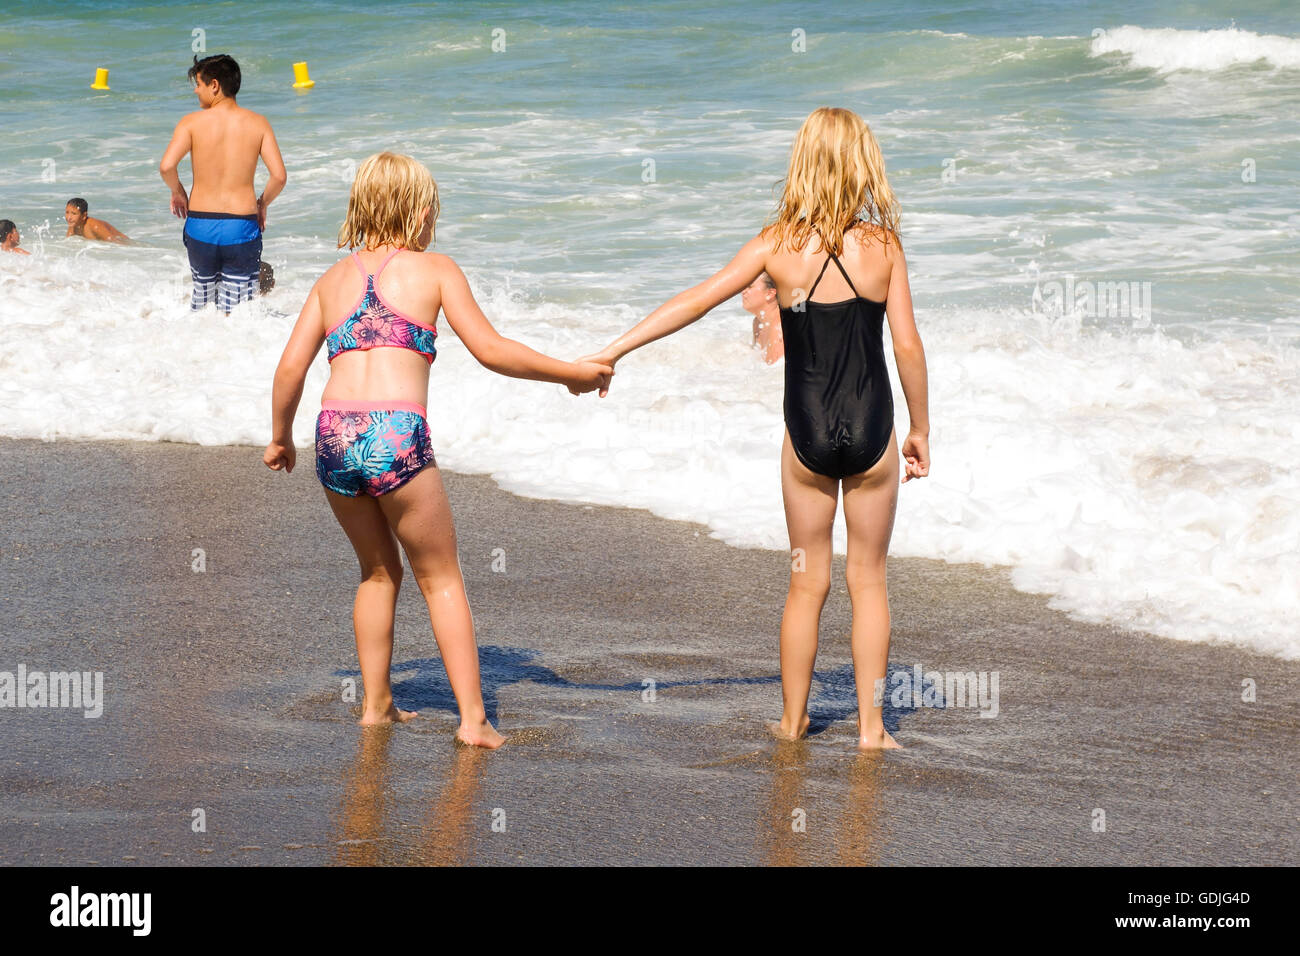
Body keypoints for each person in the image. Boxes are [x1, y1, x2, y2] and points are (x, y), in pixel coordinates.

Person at [577, 107, 930, 750]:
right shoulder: (884, 248)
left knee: (807, 581)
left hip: (807, 435)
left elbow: (697, 299)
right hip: (876, 429)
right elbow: (906, 345)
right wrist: (921, 429)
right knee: (869, 581)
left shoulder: (777, 245)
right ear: (864, 165)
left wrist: (614, 350)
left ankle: (794, 724)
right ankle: (872, 731)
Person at [263, 152, 612, 748]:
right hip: (396, 433)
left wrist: (279, 436)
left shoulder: (331, 280)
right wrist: (568, 372)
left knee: (377, 572)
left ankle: (375, 707)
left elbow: (290, 368)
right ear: (422, 211)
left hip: (334, 433)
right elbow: (492, 349)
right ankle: (473, 722)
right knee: (441, 577)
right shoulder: (435, 269)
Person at [159, 53, 286, 314]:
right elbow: (279, 177)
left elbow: (167, 166)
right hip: (241, 224)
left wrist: (178, 192)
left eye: (198, 84)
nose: (196, 91)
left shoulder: (191, 123)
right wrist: (262, 204)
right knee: (238, 310)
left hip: (200, 225)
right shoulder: (258, 123)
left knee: (203, 304)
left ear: (214, 85)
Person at [743, 270, 784, 363]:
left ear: (770, 294)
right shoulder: (757, 322)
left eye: (750, 286)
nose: (743, 291)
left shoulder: (779, 327)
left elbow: (775, 372)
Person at [64, 198, 130, 243]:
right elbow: (67, 245)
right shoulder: (73, 226)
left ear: (84, 216)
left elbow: (116, 243)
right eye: (67, 212)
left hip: (125, 242)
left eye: (74, 214)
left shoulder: (95, 226)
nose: (69, 217)